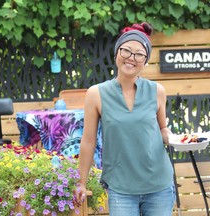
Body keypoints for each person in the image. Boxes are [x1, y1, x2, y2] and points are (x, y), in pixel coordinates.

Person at [73, 22, 176, 216]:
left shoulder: (157, 91)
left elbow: (163, 128)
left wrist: (172, 138)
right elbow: (88, 141)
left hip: (159, 186)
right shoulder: (96, 94)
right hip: (121, 188)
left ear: (145, 61)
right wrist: (81, 182)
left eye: (139, 54)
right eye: (126, 50)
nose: (131, 58)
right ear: (116, 53)